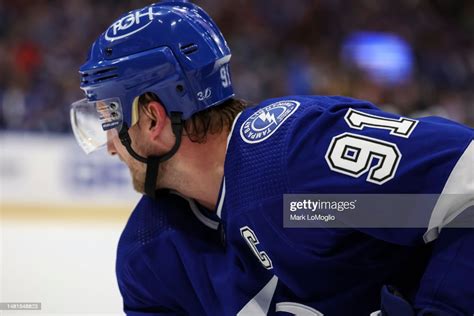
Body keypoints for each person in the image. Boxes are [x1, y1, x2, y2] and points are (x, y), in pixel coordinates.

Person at [70, 1, 474, 315]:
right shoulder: (151, 257)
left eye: (109, 116)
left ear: (154, 117)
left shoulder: (294, 177)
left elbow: (464, 187)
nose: (109, 144)